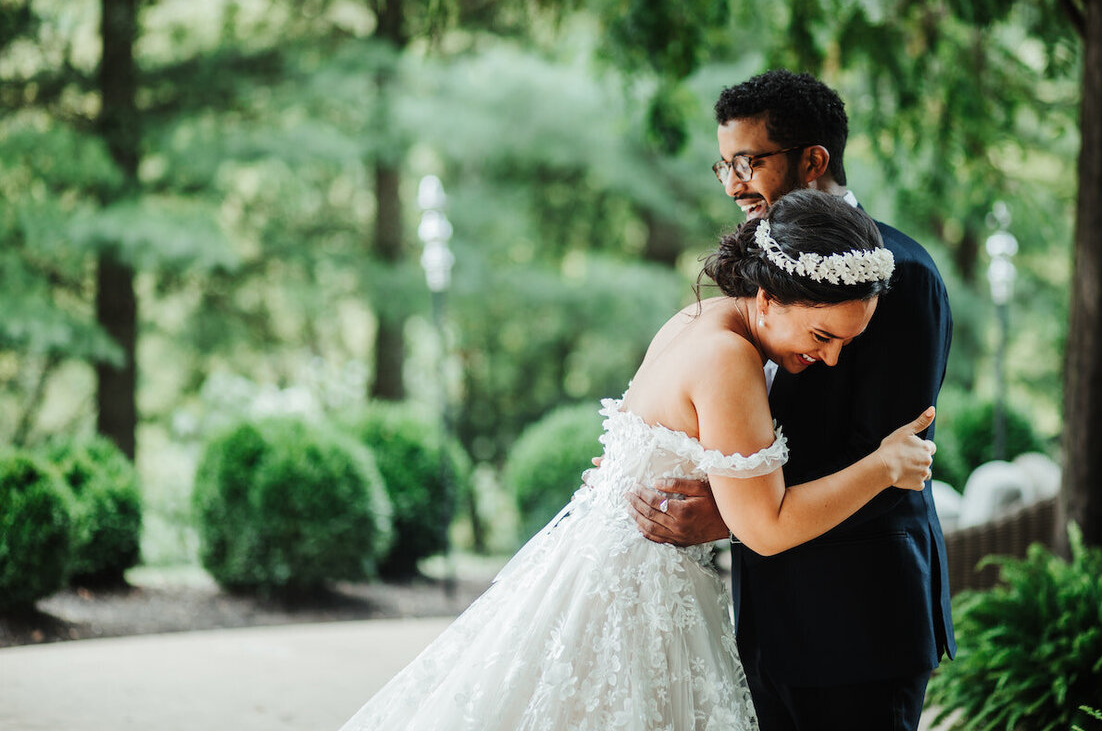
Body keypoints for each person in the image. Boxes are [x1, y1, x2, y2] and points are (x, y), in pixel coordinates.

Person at [337, 190, 937, 731]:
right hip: (637, 599)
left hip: (594, 569)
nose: (831, 360)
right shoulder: (730, 360)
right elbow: (767, 528)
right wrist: (885, 465)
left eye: (846, 344)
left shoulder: (696, 316)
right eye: (821, 337)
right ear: (769, 297)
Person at [627, 69, 956, 730]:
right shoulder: (744, 293)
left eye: (749, 162)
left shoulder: (900, 274)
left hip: (857, 623)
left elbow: (890, 465)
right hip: (764, 616)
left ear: (813, 160)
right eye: (724, 164)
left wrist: (730, 516)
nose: (732, 184)